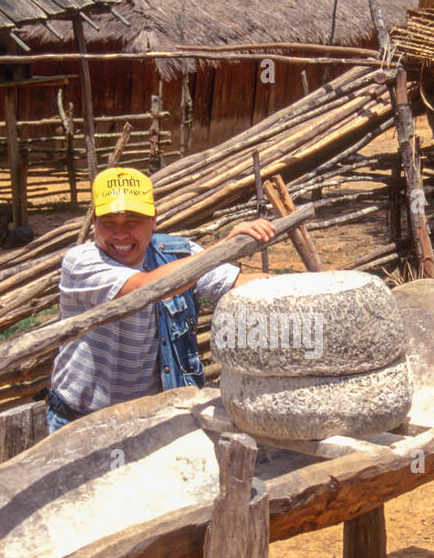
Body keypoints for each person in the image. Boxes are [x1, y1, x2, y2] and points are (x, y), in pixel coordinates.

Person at [46, 165, 275, 434]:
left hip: (149, 418)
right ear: (94, 223)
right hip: (81, 421)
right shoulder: (81, 262)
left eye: (131, 223)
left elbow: (238, 284)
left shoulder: (177, 253)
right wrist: (223, 248)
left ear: (153, 220)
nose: (120, 235)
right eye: (108, 224)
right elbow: (146, 289)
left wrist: (307, 288)